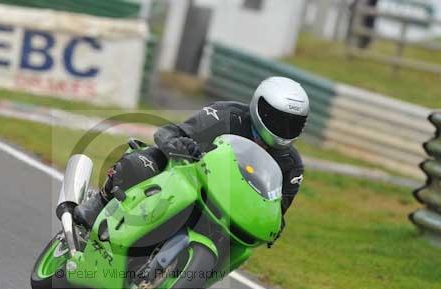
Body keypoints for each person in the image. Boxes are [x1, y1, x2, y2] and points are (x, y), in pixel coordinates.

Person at [75, 76, 309, 239]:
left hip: (225, 209)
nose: (284, 128)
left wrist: (273, 226)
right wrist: (180, 145)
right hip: (184, 176)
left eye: (293, 123)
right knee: (147, 160)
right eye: (278, 119)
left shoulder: (291, 165)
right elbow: (168, 133)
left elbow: (275, 214)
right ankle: (99, 204)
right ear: (260, 108)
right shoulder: (226, 115)